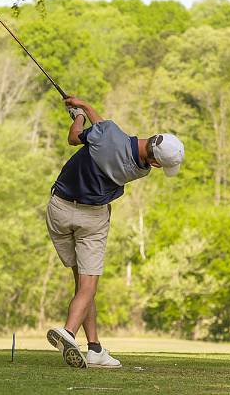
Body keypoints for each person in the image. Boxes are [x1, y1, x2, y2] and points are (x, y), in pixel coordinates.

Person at [45, 96, 184, 369]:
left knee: (82, 286)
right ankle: (68, 333)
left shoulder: (110, 133)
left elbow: (76, 138)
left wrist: (78, 116)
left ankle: (94, 348)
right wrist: (85, 107)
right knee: (87, 286)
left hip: (59, 209)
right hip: (91, 219)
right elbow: (106, 133)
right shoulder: (140, 169)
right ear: (156, 163)